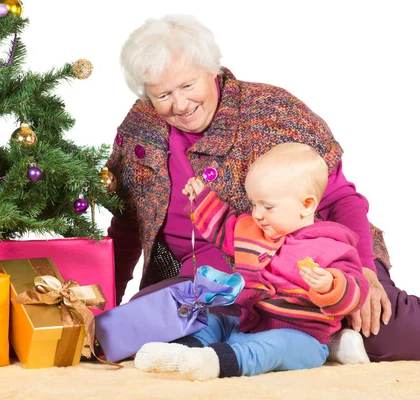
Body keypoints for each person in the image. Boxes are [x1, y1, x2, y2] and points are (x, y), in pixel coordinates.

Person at [105, 13, 420, 362]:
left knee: (387, 334)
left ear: (213, 69)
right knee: (134, 333)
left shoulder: (270, 112)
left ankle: (324, 335)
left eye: (188, 86)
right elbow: (126, 226)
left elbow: (341, 199)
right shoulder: (141, 128)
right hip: (209, 285)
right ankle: (308, 343)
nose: (180, 104)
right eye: (163, 94)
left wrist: (363, 270)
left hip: (309, 264)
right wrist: (107, 303)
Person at [134, 142, 369, 380]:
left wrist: (331, 285)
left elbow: (357, 290)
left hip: (299, 336)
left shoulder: (332, 247)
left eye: (268, 206)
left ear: (305, 205)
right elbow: (223, 225)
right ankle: (183, 350)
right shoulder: (251, 229)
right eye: (254, 204)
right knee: (214, 320)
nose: (257, 214)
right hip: (246, 322)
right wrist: (201, 199)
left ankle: (219, 361)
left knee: (275, 347)